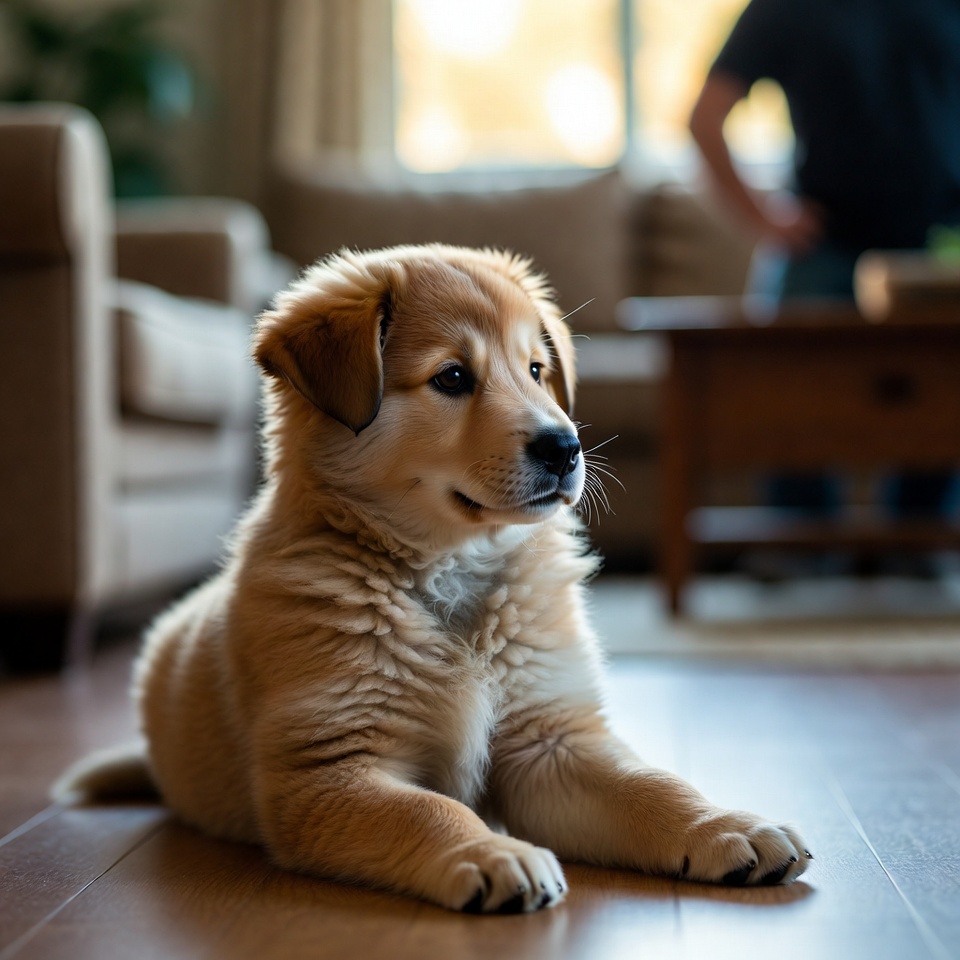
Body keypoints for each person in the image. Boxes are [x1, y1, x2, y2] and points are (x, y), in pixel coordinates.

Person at [689, 0, 960, 522]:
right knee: (785, 381)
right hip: (823, 245)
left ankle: (920, 538)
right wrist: (763, 217)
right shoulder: (786, 7)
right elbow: (706, 117)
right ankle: (800, 540)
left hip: (938, 248)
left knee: (941, 389)